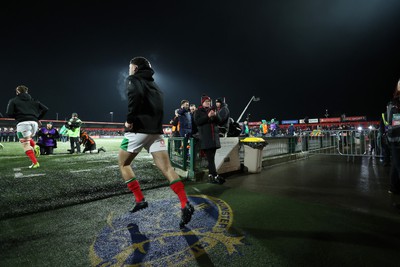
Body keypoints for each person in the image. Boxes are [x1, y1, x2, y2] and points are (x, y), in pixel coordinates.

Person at [118, 56, 194, 228]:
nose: (129, 70)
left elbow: (134, 97)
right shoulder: (156, 86)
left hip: (138, 130)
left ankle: (140, 199)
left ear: (135, 68)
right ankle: (184, 203)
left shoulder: (133, 80)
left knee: (123, 164)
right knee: (167, 168)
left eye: (130, 67)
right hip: (156, 132)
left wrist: (129, 120)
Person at [6, 85, 48, 168]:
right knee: (24, 137)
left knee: (25, 144)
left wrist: (19, 116)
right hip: (34, 124)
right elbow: (46, 109)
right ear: (27, 91)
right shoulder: (34, 100)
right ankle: (35, 146)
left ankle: (35, 163)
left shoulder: (13, 100)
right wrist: (37, 118)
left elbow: (9, 113)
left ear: (17, 91)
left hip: (23, 124)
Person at [194, 95, 225, 185]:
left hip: (214, 138)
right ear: (202, 102)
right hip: (206, 138)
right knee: (210, 159)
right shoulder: (198, 111)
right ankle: (214, 175)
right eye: (206, 101)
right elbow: (197, 122)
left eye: (209, 101)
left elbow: (220, 121)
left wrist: (215, 115)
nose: (208, 102)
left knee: (212, 158)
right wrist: (208, 116)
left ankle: (211, 175)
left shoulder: (213, 109)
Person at [386, 79, 400, 195]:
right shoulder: (395, 103)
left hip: (395, 139)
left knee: (396, 165)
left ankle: (393, 187)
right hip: (397, 139)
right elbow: (396, 123)